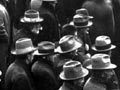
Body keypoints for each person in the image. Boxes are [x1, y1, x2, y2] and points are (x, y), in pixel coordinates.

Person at [0, 1, 10, 89]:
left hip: (1, 47)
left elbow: (2, 33)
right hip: (4, 46)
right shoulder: (2, 8)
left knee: (2, 71)